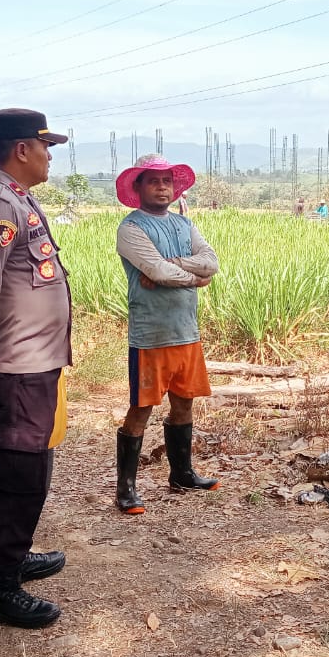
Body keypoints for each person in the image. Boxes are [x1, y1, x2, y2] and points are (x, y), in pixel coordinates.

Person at [0, 108, 72, 630]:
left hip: (36, 361)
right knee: (21, 472)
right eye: (45, 146)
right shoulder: (1, 204)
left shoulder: (18, 198)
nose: (50, 156)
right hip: (18, 365)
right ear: (22, 149)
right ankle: (2, 590)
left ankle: (17, 555)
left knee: (32, 466)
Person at [113, 154, 220, 515]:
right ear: (139, 187)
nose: (162, 188)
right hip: (151, 334)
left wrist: (172, 266)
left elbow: (211, 262)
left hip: (185, 330)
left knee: (184, 402)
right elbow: (156, 272)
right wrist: (196, 280)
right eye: (153, 181)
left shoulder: (184, 224)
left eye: (167, 182)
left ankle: (182, 474)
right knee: (141, 408)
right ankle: (126, 489)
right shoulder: (131, 228)